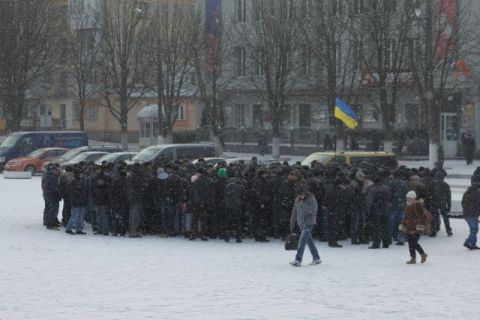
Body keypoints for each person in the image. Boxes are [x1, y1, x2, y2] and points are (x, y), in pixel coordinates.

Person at [289, 186, 321, 267]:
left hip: (309, 223)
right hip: (301, 224)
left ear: (305, 193)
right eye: (299, 195)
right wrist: (292, 222)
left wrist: (302, 204)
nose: (300, 196)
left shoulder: (312, 200)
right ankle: (316, 258)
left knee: (302, 241)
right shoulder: (297, 200)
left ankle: (298, 259)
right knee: (309, 241)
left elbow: (312, 212)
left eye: (302, 194)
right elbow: (294, 212)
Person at [401, 191, 428, 264]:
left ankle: (423, 254)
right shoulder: (408, 205)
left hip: (416, 227)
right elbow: (406, 216)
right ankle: (413, 258)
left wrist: (418, 228)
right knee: (410, 243)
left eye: (410, 198)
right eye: (407, 198)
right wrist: (403, 224)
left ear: (414, 198)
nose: (408, 199)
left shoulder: (417, 205)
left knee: (413, 242)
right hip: (409, 226)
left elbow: (422, 217)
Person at [65, 168, 87, 235]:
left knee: (79, 216)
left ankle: (78, 229)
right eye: (81, 174)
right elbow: (73, 192)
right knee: (74, 216)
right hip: (76, 201)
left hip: (81, 201)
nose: (82, 175)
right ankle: (68, 229)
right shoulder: (74, 181)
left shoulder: (80, 181)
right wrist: (78, 195)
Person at [461, 181, 480, 250]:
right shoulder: (477, 194)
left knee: (473, 229)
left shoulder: (466, 193)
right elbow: (478, 205)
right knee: (474, 230)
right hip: (473, 215)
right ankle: (468, 242)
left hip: (466, 214)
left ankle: (473, 244)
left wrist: (466, 210)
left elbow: (462, 203)